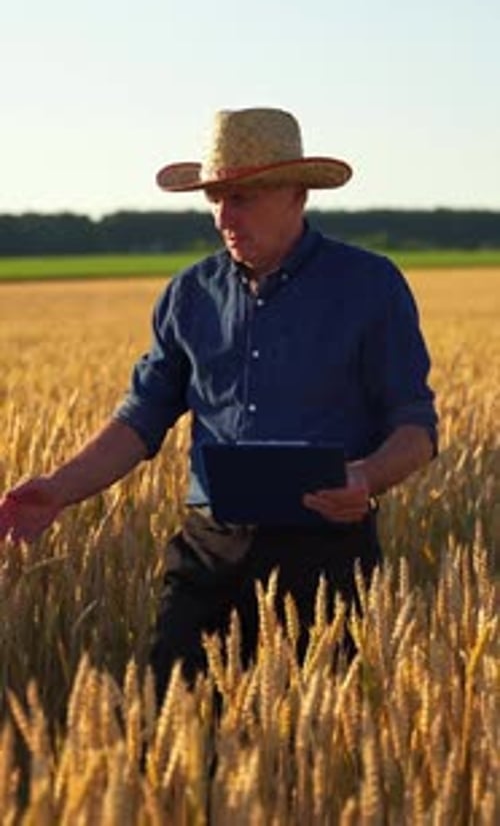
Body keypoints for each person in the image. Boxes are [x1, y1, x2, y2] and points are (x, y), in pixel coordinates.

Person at [0, 107, 438, 700]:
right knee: (169, 730)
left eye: (244, 197)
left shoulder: (369, 286)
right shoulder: (188, 294)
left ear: (298, 194)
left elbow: (415, 428)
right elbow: (140, 419)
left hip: (326, 552)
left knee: (307, 756)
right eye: (215, 198)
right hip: (209, 551)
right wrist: (58, 488)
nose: (225, 216)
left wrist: (365, 477)